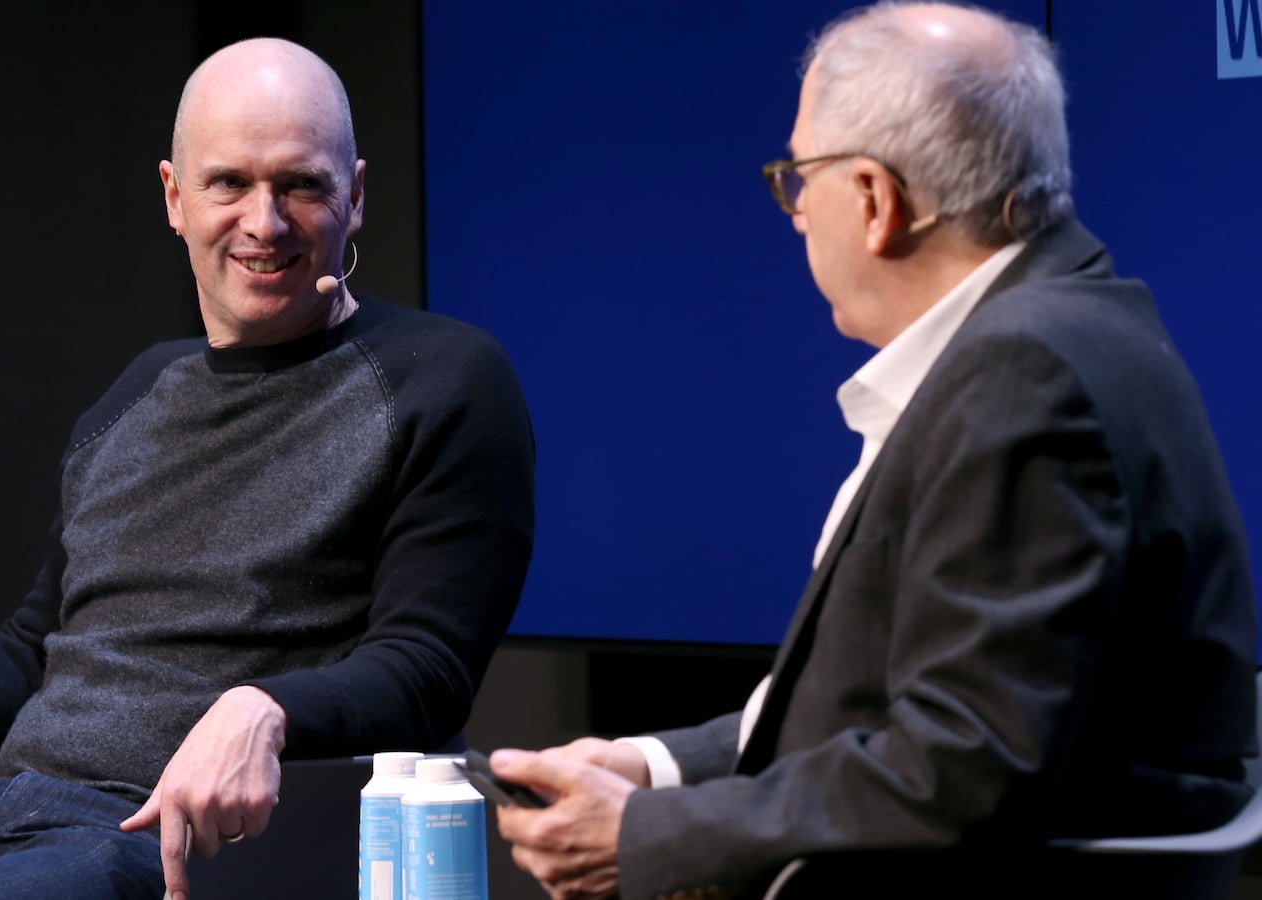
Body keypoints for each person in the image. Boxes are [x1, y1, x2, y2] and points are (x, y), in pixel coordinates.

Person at [0, 37, 534, 900]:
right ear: (174, 197)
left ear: (355, 197)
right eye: (229, 182)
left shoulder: (442, 377)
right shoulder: (141, 390)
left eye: (301, 184)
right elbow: (30, 658)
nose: (264, 223)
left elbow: (426, 668)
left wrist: (267, 709)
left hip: (175, 847)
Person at [490, 3, 1256, 898]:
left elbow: (962, 766)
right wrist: (650, 769)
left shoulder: (1027, 376)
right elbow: (879, 714)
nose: (795, 214)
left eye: (797, 178)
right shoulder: (1080, 319)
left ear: (873, 198)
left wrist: (651, 837)